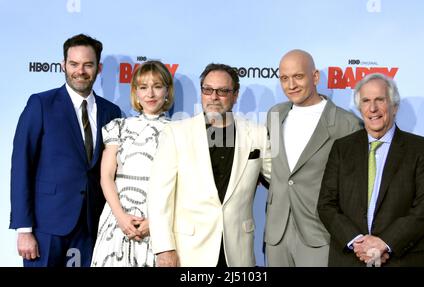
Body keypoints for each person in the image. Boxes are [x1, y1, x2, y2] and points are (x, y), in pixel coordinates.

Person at [9, 34, 122, 267]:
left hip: (93, 226)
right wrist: (24, 229)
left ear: (98, 68)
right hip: (46, 228)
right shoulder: (41, 104)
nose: (80, 71)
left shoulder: (112, 112)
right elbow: (22, 166)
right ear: (63, 65)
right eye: (74, 64)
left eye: (88, 64)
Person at [148, 63, 271, 267]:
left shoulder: (257, 133)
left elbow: (278, 178)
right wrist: (164, 248)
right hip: (189, 251)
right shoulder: (176, 133)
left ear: (235, 94)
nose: (214, 96)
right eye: (208, 89)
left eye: (222, 91)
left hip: (238, 251)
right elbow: (159, 196)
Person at [317, 73, 424, 267]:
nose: (373, 108)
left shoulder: (422, 150)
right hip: (351, 258)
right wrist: (359, 243)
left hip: (403, 259)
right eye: (366, 101)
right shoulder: (342, 148)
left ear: (395, 106)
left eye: (380, 100)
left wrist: (385, 243)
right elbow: (326, 204)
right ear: (360, 108)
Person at [264, 49, 361, 266]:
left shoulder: (346, 124)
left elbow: (353, 188)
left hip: (319, 232)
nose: (291, 85)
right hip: (276, 232)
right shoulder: (274, 115)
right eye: (284, 78)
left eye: (298, 76)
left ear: (315, 76)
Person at [90, 61, 174, 267]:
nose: (151, 94)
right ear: (135, 93)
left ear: (167, 91)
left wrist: (155, 224)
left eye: (157, 86)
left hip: (158, 223)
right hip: (117, 220)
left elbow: (182, 186)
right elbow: (106, 177)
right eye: (143, 87)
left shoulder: (179, 131)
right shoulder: (118, 127)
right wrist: (120, 217)